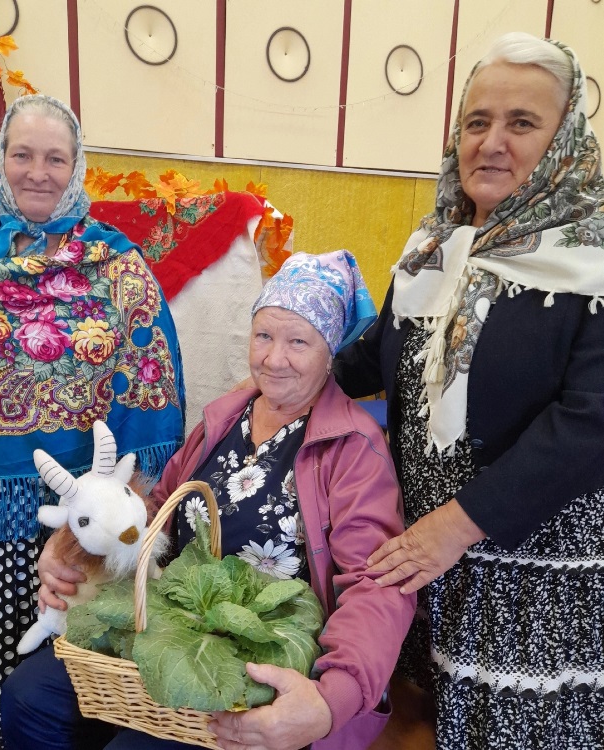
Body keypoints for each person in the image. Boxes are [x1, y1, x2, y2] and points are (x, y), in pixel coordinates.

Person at [0, 249, 416, 750]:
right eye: (263, 336)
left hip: (263, 657)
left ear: (331, 353)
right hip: (176, 623)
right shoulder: (225, 417)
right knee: (29, 696)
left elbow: (377, 586)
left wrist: (331, 699)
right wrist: (71, 548)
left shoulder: (354, 448)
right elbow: (155, 510)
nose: (273, 359)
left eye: (298, 342)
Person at [333, 32, 604, 749]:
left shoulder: (592, 261)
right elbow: (381, 355)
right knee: (421, 719)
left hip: (529, 573)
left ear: (564, 140)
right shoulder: (435, 245)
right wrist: (288, 376)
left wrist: (457, 526)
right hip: (425, 555)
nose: (491, 142)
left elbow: (590, 424)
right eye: (476, 121)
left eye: (522, 123)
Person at [0, 95, 185, 750]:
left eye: (55, 158)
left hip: (85, 510)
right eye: (22, 154)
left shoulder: (117, 266)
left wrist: (123, 499)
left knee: (77, 653)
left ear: (77, 167)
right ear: (1, 161)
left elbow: (149, 372)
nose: (38, 172)